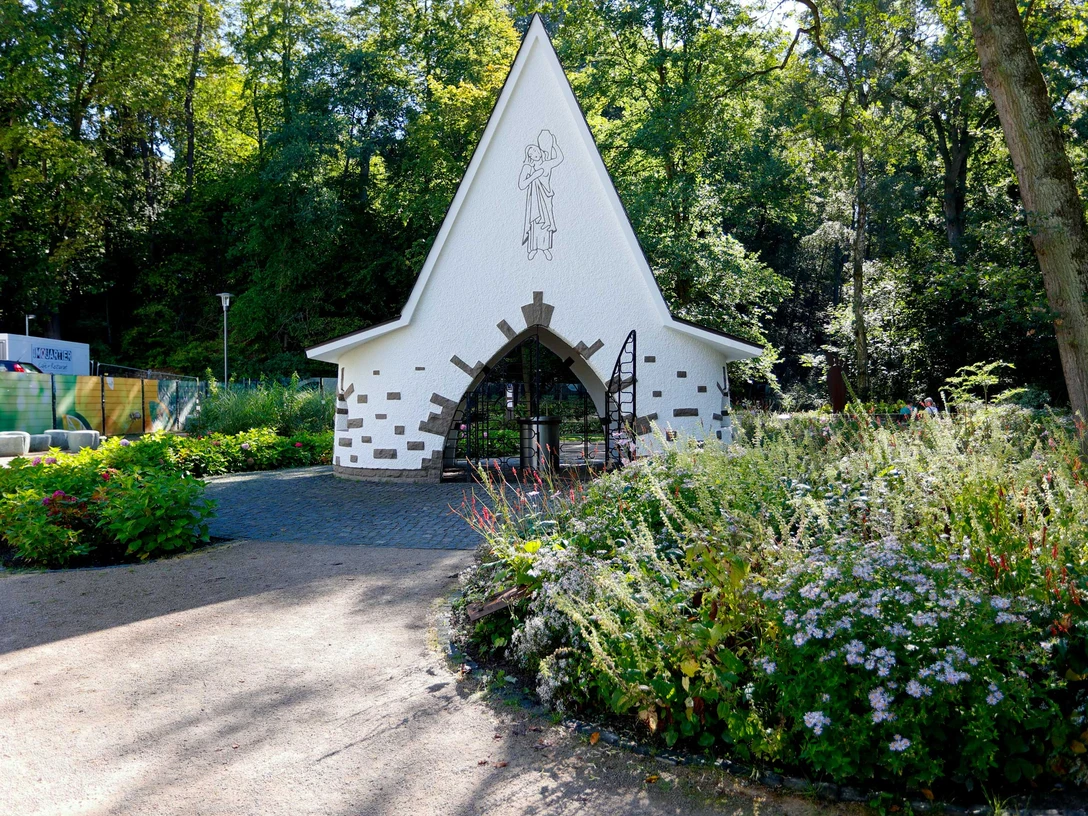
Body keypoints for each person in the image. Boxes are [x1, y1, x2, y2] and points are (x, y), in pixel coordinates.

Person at [518, 130, 564, 260]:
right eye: (531, 153)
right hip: (534, 199)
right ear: (529, 156)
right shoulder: (528, 167)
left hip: (546, 196)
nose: (534, 154)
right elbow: (521, 185)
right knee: (535, 222)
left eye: (536, 151)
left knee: (546, 223)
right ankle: (533, 248)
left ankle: (545, 248)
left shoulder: (547, 164)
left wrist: (554, 145)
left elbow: (559, 158)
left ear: (540, 151)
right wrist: (533, 176)